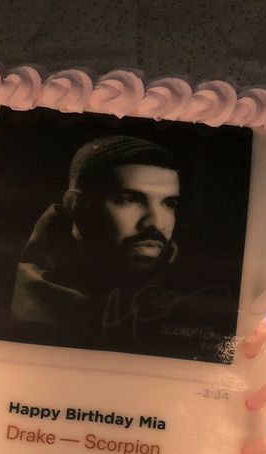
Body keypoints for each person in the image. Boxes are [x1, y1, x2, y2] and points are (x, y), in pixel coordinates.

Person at [11, 134, 188, 348]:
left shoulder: (184, 289)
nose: (155, 223)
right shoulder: (19, 300)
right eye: (129, 200)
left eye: (168, 203)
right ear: (75, 205)